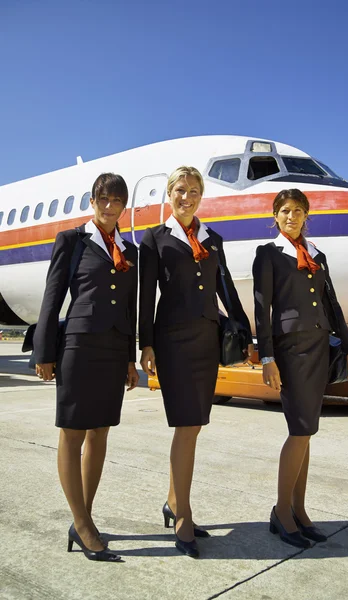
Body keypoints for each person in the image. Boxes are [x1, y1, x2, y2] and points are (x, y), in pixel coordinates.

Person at [139, 166, 253, 558]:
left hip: (206, 342)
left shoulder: (212, 239)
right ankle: (183, 514)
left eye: (193, 191)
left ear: (201, 197)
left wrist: (245, 334)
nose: (186, 197)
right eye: (180, 190)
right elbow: (145, 299)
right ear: (168, 194)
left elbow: (226, 289)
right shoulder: (153, 239)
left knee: (194, 427)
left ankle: (174, 502)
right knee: (186, 426)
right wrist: (146, 345)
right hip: (172, 343)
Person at [34, 173, 139, 562]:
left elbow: (130, 309)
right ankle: (81, 524)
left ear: (124, 206)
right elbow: (53, 298)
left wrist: (130, 357)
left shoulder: (131, 251)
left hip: (113, 350)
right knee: (73, 433)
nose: (109, 206)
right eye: (103, 199)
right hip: (78, 346)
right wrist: (44, 353)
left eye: (116, 200)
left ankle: (85, 518)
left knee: (101, 432)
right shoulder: (73, 241)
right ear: (92, 201)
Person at [253, 188, 348, 548]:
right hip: (291, 352)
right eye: (285, 210)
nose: (291, 216)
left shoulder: (317, 255)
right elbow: (262, 311)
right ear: (275, 216)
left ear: (306, 215)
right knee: (299, 429)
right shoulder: (268, 255)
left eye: (298, 210)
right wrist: (266, 357)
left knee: (307, 431)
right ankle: (281, 511)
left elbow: (333, 305)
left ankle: (298, 509)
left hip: (318, 349)